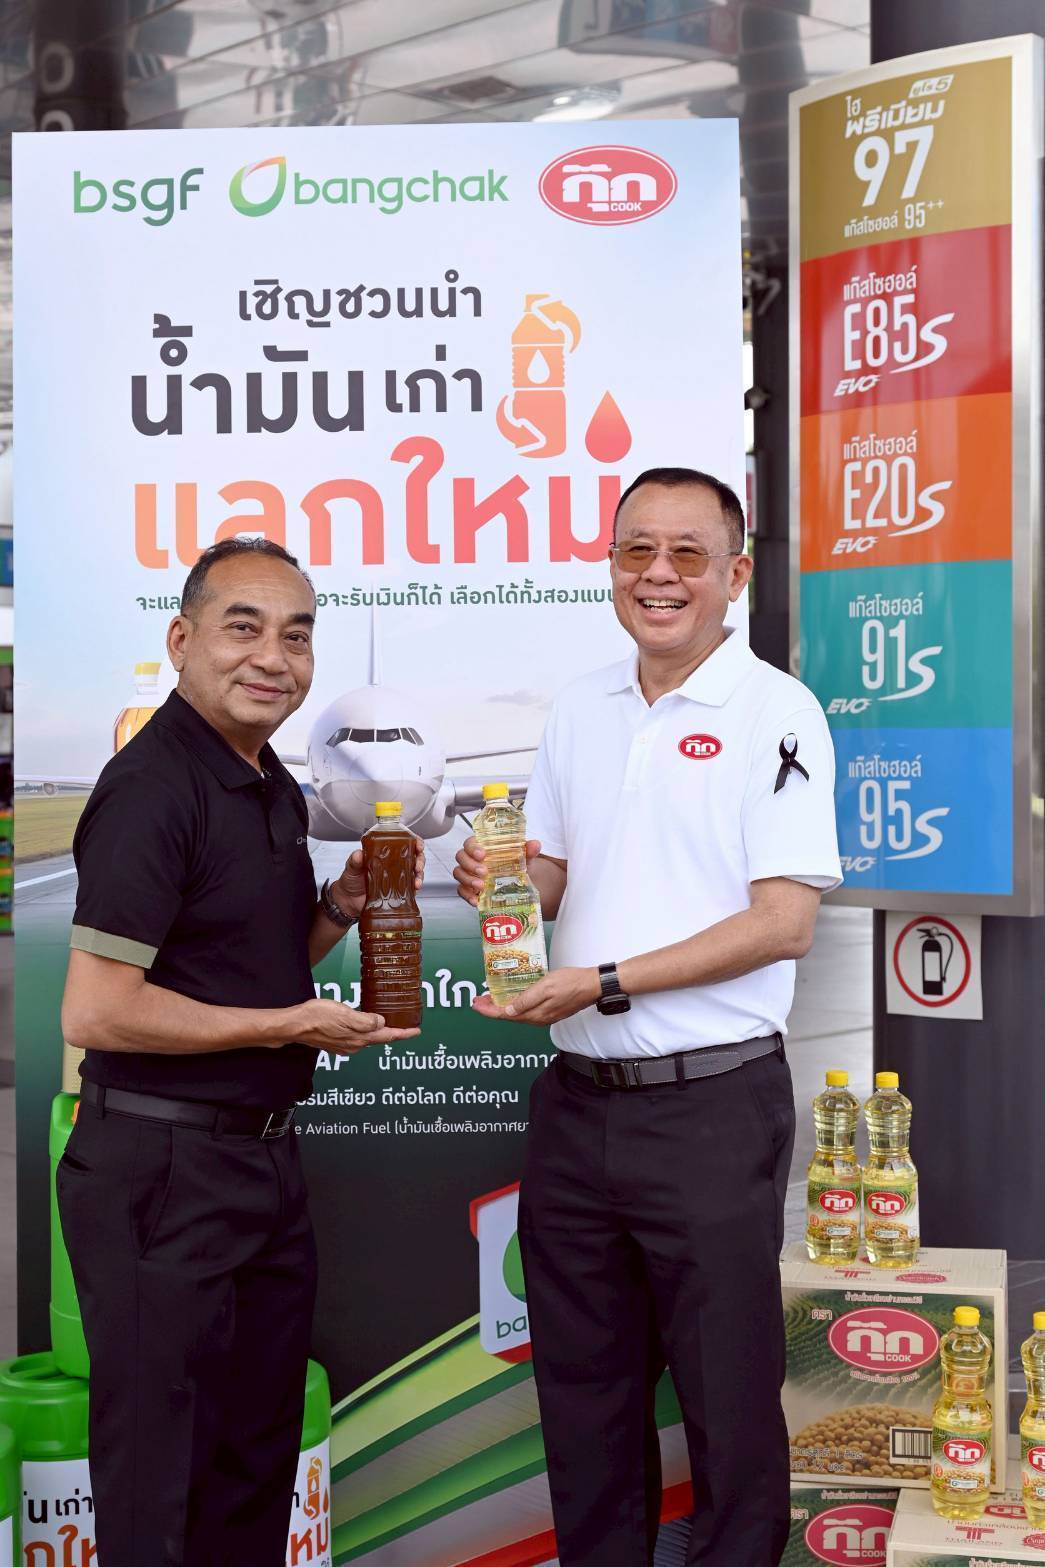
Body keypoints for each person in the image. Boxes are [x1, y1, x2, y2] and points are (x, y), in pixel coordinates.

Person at [454, 468, 841, 1567]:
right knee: (584, 1396)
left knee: (728, 1397)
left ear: (736, 573)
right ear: (611, 565)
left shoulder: (776, 711)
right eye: (636, 550)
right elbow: (553, 878)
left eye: (686, 553)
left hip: (709, 1105)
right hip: (576, 1104)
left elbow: (781, 924)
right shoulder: (582, 706)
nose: (658, 574)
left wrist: (605, 980)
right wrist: (501, 877)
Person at [59, 538, 424, 1567]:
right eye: (243, 627)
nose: (273, 657)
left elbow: (253, 963)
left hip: (257, 1161)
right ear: (183, 640)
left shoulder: (267, 782)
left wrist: (339, 907)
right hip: (160, 1168)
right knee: (161, 1476)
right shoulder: (153, 788)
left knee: (253, 1459)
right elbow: (96, 1011)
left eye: (295, 636)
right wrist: (287, 1026)